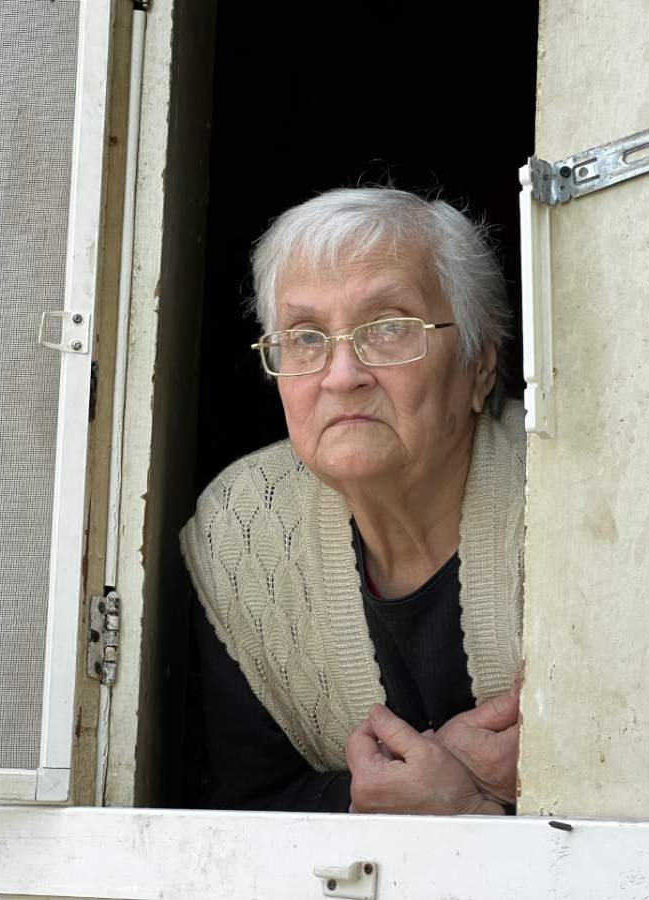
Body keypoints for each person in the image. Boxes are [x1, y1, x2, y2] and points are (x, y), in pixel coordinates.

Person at [180, 186, 525, 814]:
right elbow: (246, 805)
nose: (342, 376)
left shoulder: (572, 499)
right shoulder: (243, 531)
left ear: (479, 365)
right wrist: (389, 799)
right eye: (307, 338)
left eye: (390, 327)